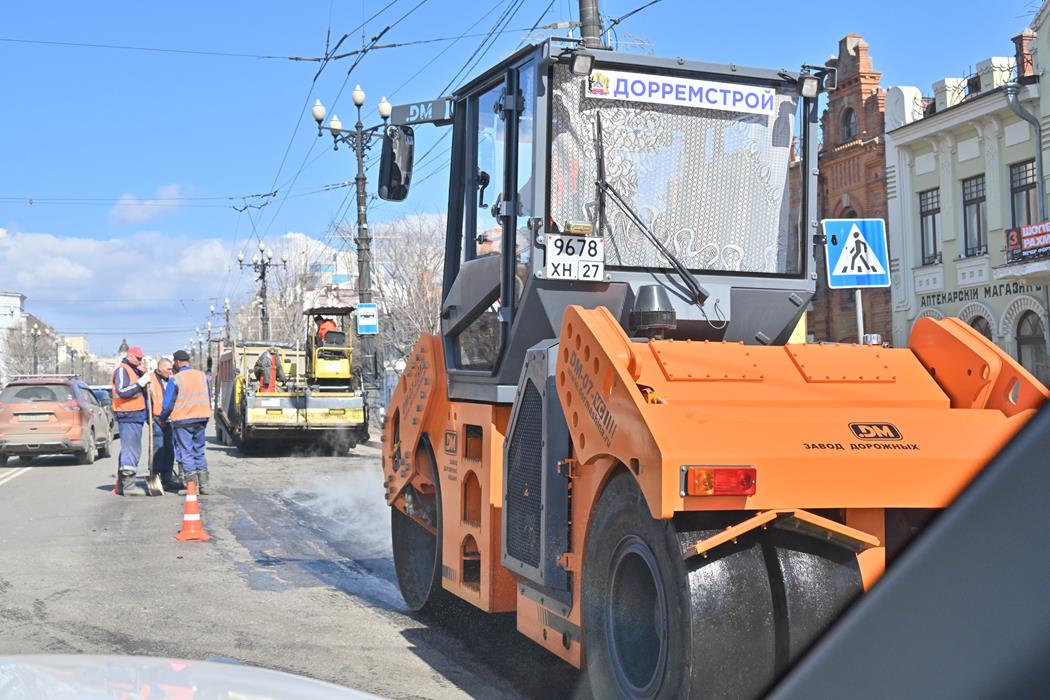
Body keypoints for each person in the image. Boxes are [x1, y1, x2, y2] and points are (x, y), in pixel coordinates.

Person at [160, 350, 212, 495]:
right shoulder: (202, 376)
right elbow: (208, 396)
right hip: (201, 418)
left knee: (186, 453)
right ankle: (204, 486)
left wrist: (162, 419)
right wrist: (206, 417)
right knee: (199, 452)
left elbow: (169, 404)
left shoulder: (176, 379)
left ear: (177, 362)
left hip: (183, 420)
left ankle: (191, 488)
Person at [111, 346, 151, 496]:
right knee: (131, 449)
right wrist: (140, 383)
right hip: (128, 414)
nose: (140, 361)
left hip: (135, 414)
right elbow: (122, 391)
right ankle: (128, 486)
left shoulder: (133, 370)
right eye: (138, 358)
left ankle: (123, 484)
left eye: (141, 358)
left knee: (131, 448)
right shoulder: (123, 370)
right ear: (130, 356)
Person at [147, 358, 180, 493]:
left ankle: (167, 478)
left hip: (169, 419)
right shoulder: (150, 379)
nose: (170, 371)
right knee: (157, 448)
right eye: (168, 369)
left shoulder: (172, 379)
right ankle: (155, 475)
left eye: (171, 369)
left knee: (169, 449)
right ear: (160, 368)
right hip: (156, 418)